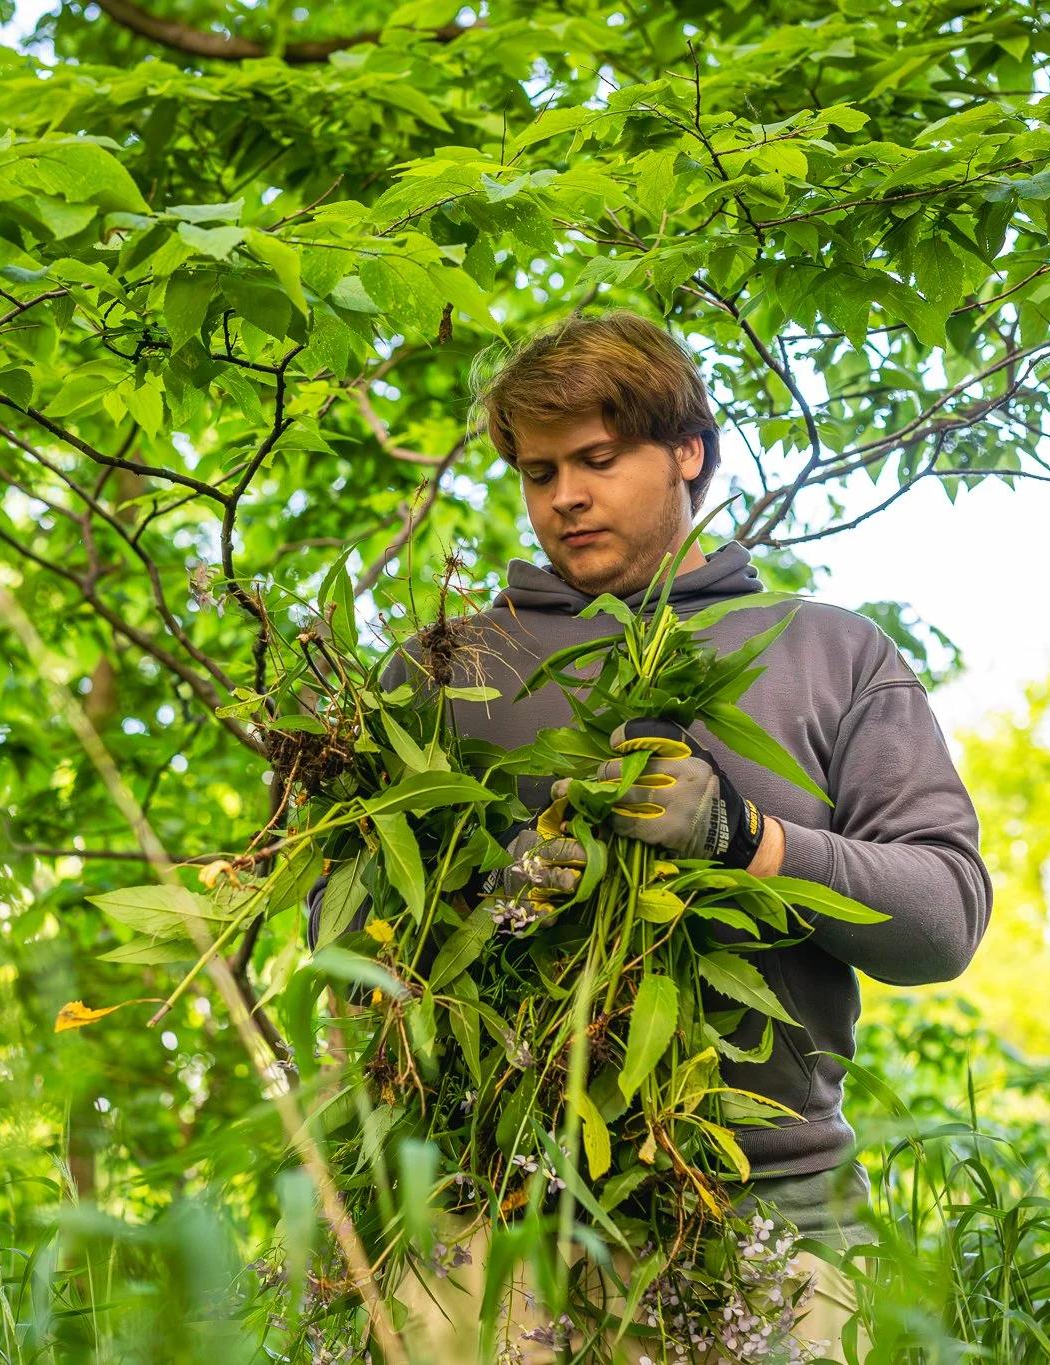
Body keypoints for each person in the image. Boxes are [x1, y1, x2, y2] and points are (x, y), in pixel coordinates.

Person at [380, 311, 993, 1360]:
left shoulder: (828, 652)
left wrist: (744, 838)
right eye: (536, 472)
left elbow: (939, 924)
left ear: (686, 453)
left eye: (595, 459)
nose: (563, 495)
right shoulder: (440, 671)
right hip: (486, 1204)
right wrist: (499, 901)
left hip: (771, 1206)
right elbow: (352, 954)